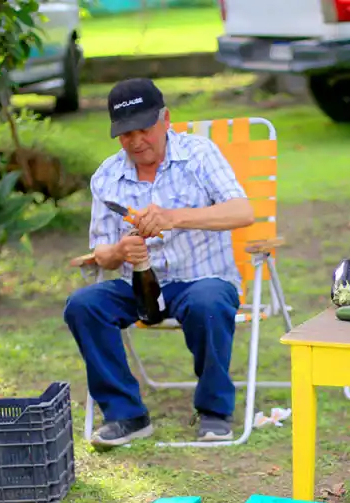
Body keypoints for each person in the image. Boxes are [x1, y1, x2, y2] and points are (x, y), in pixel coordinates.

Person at [64, 78, 255, 449]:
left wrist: (173, 217)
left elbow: (242, 211)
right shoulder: (107, 176)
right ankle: (125, 415)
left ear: (166, 119)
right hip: (136, 285)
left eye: (144, 129)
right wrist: (121, 250)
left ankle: (214, 411)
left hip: (201, 278)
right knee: (83, 305)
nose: (136, 141)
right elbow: (101, 252)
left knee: (208, 301)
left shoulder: (199, 154)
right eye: (126, 134)